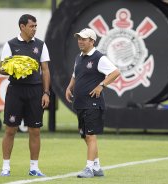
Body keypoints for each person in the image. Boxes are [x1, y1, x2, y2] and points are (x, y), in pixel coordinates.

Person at [0, 14, 50, 177]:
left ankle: (34, 167)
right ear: (22, 27)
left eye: (36, 26)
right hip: (15, 90)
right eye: (31, 26)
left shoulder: (41, 45)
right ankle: (5, 166)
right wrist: (15, 66)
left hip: (35, 91)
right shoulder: (10, 45)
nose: (34, 29)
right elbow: (1, 68)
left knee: (35, 130)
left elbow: (46, 70)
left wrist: (46, 92)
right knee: (10, 129)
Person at [65, 28, 120, 178]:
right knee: (85, 135)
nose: (80, 41)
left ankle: (89, 168)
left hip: (93, 104)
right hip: (81, 103)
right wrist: (69, 87)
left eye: (84, 39)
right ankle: (97, 167)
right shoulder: (79, 57)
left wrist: (101, 85)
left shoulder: (99, 57)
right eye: (79, 38)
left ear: (92, 41)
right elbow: (75, 75)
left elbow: (115, 72)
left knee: (90, 135)